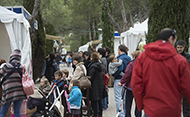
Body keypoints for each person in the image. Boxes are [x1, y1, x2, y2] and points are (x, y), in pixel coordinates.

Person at [131, 28, 190, 117]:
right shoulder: (180, 61)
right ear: (171, 38)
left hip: (150, 109)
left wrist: (141, 105)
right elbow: (188, 88)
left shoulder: (142, 57)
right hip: (172, 109)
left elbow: (136, 84)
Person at [0, 49, 27, 117]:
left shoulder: (6, 66)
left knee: (3, 112)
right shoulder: (22, 67)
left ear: (11, 57)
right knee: (17, 111)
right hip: (20, 92)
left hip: (9, 92)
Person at [118, 50, 141, 117]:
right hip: (140, 88)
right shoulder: (143, 64)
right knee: (138, 105)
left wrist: (121, 82)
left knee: (128, 104)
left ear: (134, 56)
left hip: (131, 87)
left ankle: (128, 115)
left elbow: (127, 74)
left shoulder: (131, 64)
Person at [112, 44, 131, 117]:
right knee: (125, 98)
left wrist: (114, 74)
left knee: (118, 97)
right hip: (127, 80)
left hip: (119, 79)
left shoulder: (119, 58)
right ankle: (125, 112)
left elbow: (120, 69)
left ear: (119, 50)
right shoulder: (129, 58)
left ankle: (119, 114)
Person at [88, 52, 107, 117]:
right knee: (99, 100)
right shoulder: (100, 65)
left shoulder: (93, 66)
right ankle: (100, 114)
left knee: (94, 101)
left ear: (92, 58)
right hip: (101, 85)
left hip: (94, 86)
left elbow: (90, 77)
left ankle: (95, 114)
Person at [176, 40, 190, 117]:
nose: (179, 49)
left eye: (181, 47)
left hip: (185, 83)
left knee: (186, 103)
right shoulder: (174, 56)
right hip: (176, 83)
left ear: (184, 47)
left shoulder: (188, 57)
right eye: (178, 47)